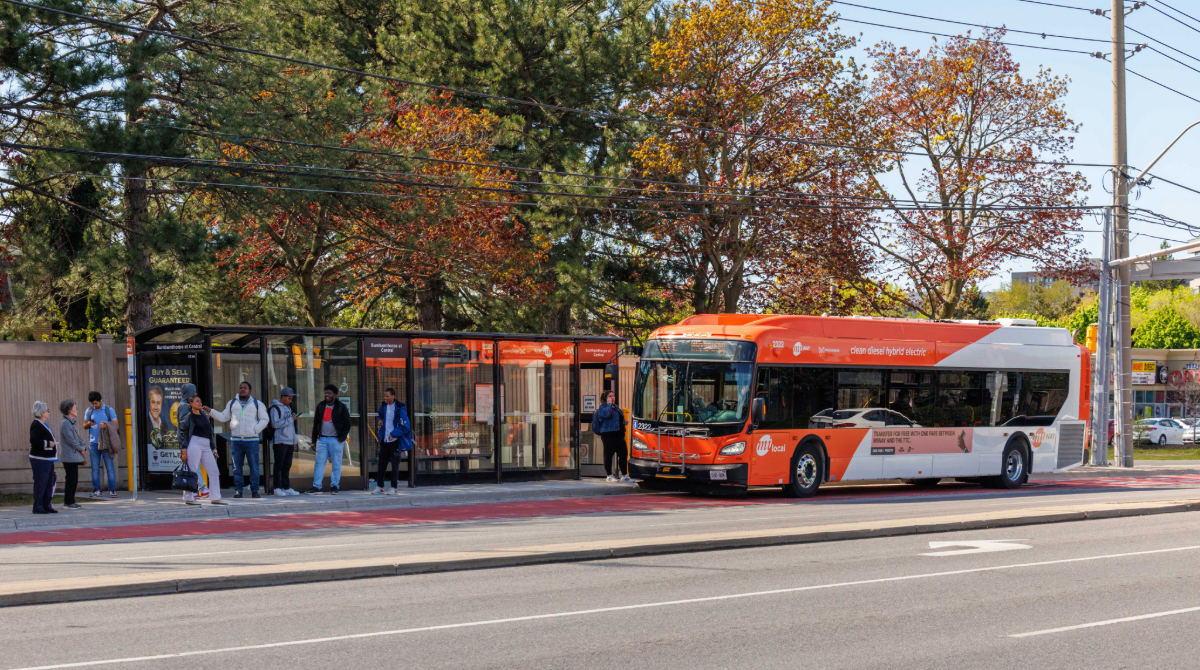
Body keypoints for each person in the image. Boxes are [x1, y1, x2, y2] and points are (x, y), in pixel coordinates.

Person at [207, 381, 270, 499]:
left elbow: (265, 419)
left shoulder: (257, 404)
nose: (242, 389)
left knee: (254, 467)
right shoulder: (232, 403)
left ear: (250, 391)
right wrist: (210, 411)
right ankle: (238, 491)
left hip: (252, 440)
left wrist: (256, 430)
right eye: (241, 388)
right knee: (236, 467)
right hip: (236, 440)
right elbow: (223, 417)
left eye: (245, 388)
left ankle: (255, 491)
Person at [178, 394, 226, 506]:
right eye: (196, 401)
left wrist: (214, 448)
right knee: (192, 470)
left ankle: (215, 497)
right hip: (194, 442)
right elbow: (184, 434)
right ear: (190, 404)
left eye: (200, 401)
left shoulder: (204, 415)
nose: (199, 403)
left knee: (214, 471)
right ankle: (189, 498)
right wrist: (184, 450)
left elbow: (210, 432)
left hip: (206, 444)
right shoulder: (189, 417)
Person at [306, 384, 350, 495]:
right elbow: (316, 423)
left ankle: (334, 486)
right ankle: (317, 487)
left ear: (335, 394)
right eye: (326, 392)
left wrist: (341, 438)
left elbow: (347, 424)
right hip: (322, 440)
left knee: (336, 464)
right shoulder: (320, 406)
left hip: (336, 440)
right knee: (319, 463)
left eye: (329, 393)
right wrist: (314, 441)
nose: (327, 395)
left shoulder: (341, 406)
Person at [372, 388, 412, 495]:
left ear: (393, 396)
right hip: (385, 440)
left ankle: (394, 487)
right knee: (381, 464)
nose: (385, 398)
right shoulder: (384, 406)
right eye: (384, 396)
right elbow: (379, 415)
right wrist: (379, 421)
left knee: (395, 465)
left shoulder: (400, 409)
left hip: (395, 441)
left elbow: (406, 426)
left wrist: (394, 433)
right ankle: (380, 486)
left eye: (387, 396)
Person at [176, 383, 209, 499]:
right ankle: (197, 488)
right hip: (188, 439)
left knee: (194, 465)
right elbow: (186, 424)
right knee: (193, 465)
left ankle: (200, 488)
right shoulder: (185, 406)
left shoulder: (183, 404)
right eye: (193, 391)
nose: (195, 394)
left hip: (188, 439)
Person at [82, 391, 118, 498]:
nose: (94, 405)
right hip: (93, 443)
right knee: (95, 468)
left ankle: (112, 489)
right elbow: (84, 425)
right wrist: (88, 423)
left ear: (100, 400)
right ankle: (96, 489)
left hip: (106, 443)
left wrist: (106, 424)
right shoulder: (89, 411)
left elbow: (116, 425)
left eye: (96, 403)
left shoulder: (109, 410)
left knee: (110, 467)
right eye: (92, 403)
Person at [593, 391, 633, 483]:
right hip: (608, 435)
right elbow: (607, 414)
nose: (612, 397)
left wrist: (623, 422)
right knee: (608, 455)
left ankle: (624, 475)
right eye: (610, 396)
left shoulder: (616, 408)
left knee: (623, 454)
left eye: (613, 395)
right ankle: (609, 475)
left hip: (619, 435)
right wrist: (609, 404)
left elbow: (615, 419)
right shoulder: (602, 408)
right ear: (605, 398)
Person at [269, 387, 300, 496]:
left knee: (287, 465)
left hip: (289, 441)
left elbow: (291, 427)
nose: (290, 401)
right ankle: (277, 487)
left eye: (291, 399)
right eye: (289, 398)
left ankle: (286, 487)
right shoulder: (275, 408)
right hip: (280, 441)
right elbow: (275, 424)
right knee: (279, 465)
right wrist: (291, 419)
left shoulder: (288, 408)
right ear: (283, 397)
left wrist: (294, 441)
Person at [29, 401, 59, 514]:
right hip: (39, 459)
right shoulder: (36, 424)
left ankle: (46, 505)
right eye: (47, 410)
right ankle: (38, 506)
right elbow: (34, 441)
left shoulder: (44, 424)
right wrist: (48, 444)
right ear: (42, 413)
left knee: (49, 483)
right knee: (41, 483)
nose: (48, 412)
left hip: (48, 459)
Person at [58, 399, 86, 510]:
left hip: (73, 456)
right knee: (71, 480)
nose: (77, 410)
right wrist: (80, 448)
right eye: (75, 408)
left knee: (74, 479)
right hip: (69, 457)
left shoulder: (70, 422)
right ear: (70, 410)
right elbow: (71, 440)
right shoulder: (65, 423)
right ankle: (68, 502)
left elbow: (75, 438)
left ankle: (71, 501)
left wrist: (82, 446)